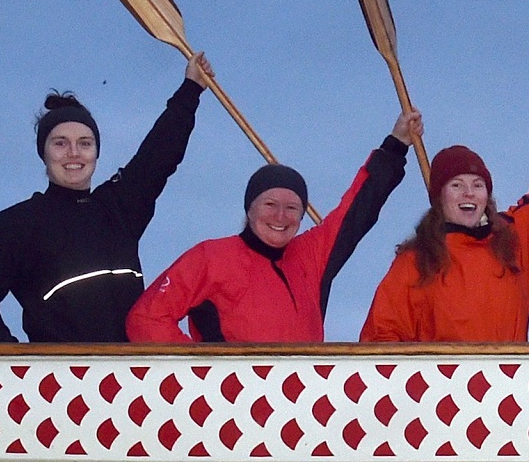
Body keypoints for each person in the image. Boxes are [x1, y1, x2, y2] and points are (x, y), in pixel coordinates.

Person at [0, 54, 212, 462]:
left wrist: (188, 92)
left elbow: (159, 157)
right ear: (44, 154)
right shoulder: (18, 223)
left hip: (130, 389)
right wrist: (9, 362)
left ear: (97, 151)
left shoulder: (119, 206)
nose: (74, 154)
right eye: (61, 144)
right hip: (58, 392)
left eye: (84, 143)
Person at [125, 110, 418, 343]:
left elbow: (358, 210)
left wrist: (395, 145)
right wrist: (204, 371)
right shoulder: (211, 257)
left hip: (303, 402)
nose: (280, 216)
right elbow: (146, 319)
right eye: (269, 205)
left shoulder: (311, 256)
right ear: (249, 208)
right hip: (234, 404)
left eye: (292, 208)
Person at [360, 85, 529, 342]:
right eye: (457, 185)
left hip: (508, 379)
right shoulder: (416, 260)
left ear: (487, 196)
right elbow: (381, 334)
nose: (468, 193)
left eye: (477, 185)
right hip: (442, 381)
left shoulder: (514, 239)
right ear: (440, 197)